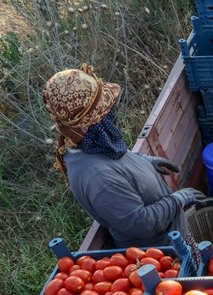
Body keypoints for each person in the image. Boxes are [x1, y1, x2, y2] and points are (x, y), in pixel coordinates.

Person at [42, 65, 204, 247]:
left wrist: (145, 162)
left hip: (174, 237)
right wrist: (178, 200)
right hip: (163, 251)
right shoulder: (98, 178)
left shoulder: (92, 144)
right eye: (105, 111)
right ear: (92, 122)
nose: (112, 113)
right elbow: (139, 224)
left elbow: (117, 161)